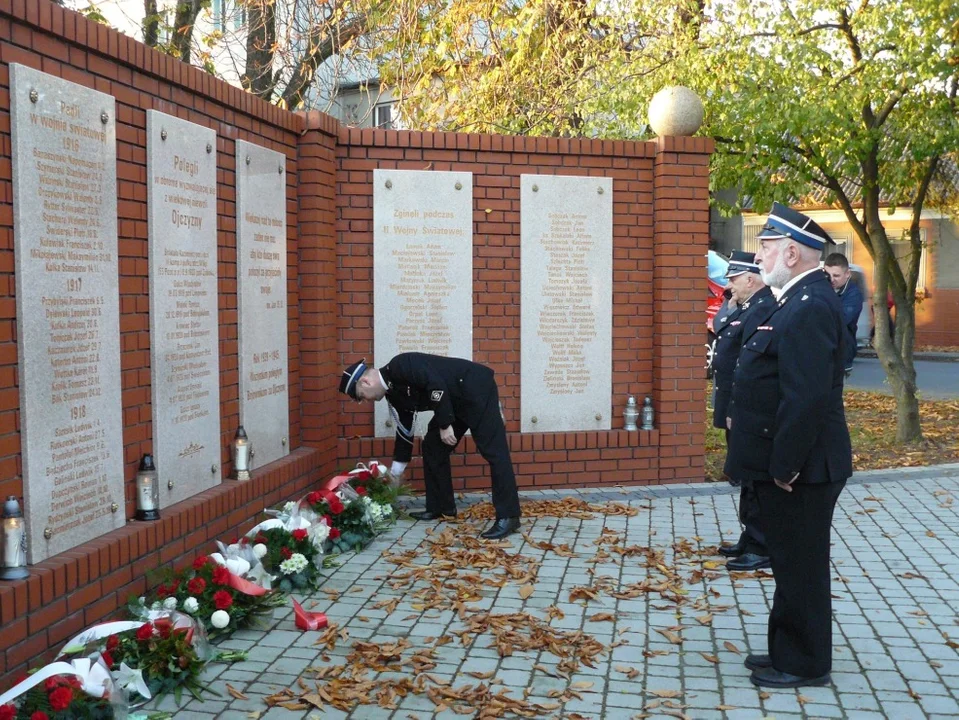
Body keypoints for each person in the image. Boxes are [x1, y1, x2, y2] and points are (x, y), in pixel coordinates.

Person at [724, 202, 852, 689]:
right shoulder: (794, 298)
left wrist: (785, 466)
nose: (759, 255)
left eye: (767, 245)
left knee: (801, 566)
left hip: (805, 468)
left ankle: (803, 663)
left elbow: (806, 398)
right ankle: (786, 647)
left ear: (793, 252)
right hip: (794, 463)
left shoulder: (811, 305)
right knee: (789, 560)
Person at [339, 353, 522, 539]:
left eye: (362, 396)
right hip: (454, 401)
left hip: (475, 389)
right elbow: (405, 428)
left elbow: (436, 386)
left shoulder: (401, 365)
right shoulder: (393, 393)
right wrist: (396, 470)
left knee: (495, 452)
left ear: (365, 382)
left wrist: (445, 425)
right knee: (433, 447)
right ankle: (442, 507)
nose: (366, 400)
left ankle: (509, 516)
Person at [712, 251, 774, 572]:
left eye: (734, 279)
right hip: (738, 403)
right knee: (746, 475)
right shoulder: (748, 305)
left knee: (753, 476)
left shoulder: (762, 308)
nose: (730, 285)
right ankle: (750, 537)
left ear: (750, 279)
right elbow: (723, 329)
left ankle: (761, 543)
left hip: (748, 406)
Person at [823, 253, 863, 373]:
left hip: (842, 353)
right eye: (827, 274)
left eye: (836, 275)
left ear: (847, 274)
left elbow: (841, 319)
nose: (831, 279)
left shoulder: (853, 295)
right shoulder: (822, 288)